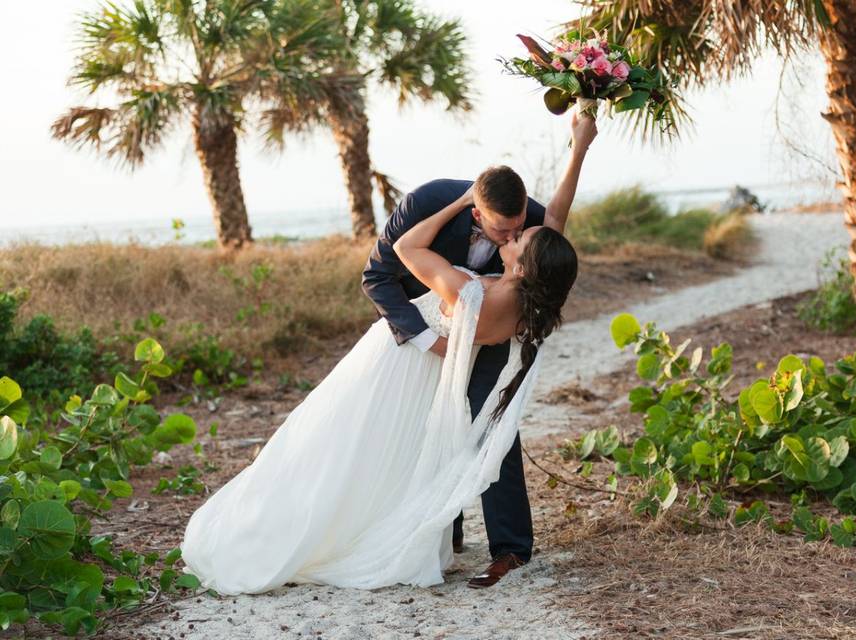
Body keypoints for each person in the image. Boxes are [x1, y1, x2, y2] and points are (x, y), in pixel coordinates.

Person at [178, 113, 597, 595]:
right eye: (509, 230)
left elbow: (410, 249)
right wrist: (578, 149)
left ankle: (508, 546)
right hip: (411, 346)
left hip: (461, 345)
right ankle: (441, 529)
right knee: (389, 438)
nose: (514, 235)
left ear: (525, 262)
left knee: (484, 433)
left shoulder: (481, 288)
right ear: (478, 213)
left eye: (519, 234)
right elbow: (378, 274)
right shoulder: (515, 272)